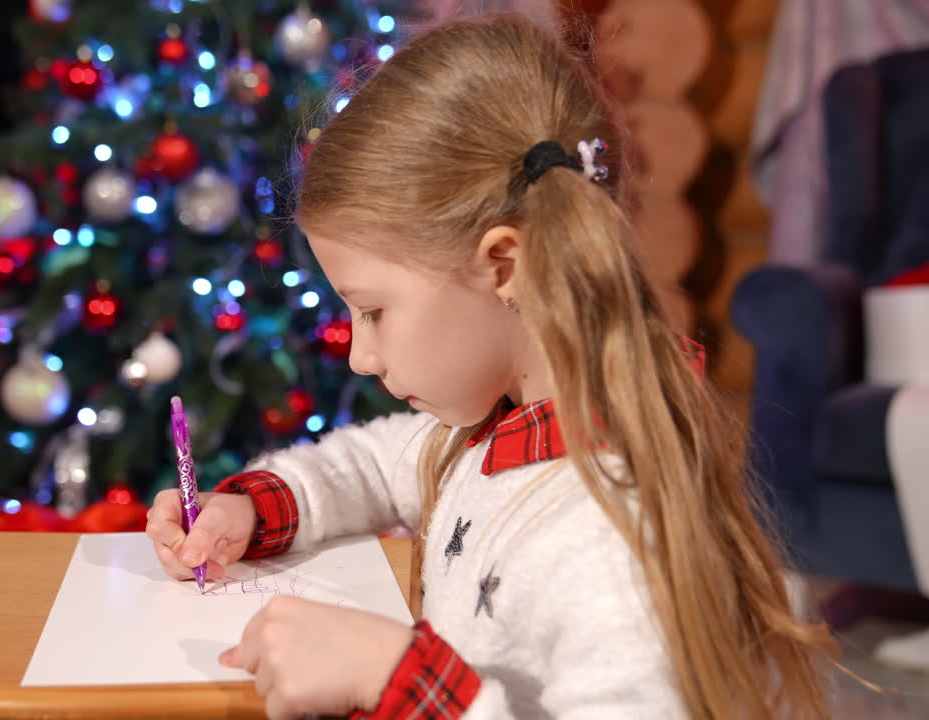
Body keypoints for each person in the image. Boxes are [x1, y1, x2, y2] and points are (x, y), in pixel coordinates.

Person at [146, 14, 835, 720]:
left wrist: (398, 681)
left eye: (375, 310)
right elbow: (376, 464)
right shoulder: (498, 425)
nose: (359, 354)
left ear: (504, 263)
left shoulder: (613, 540)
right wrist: (253, 509)